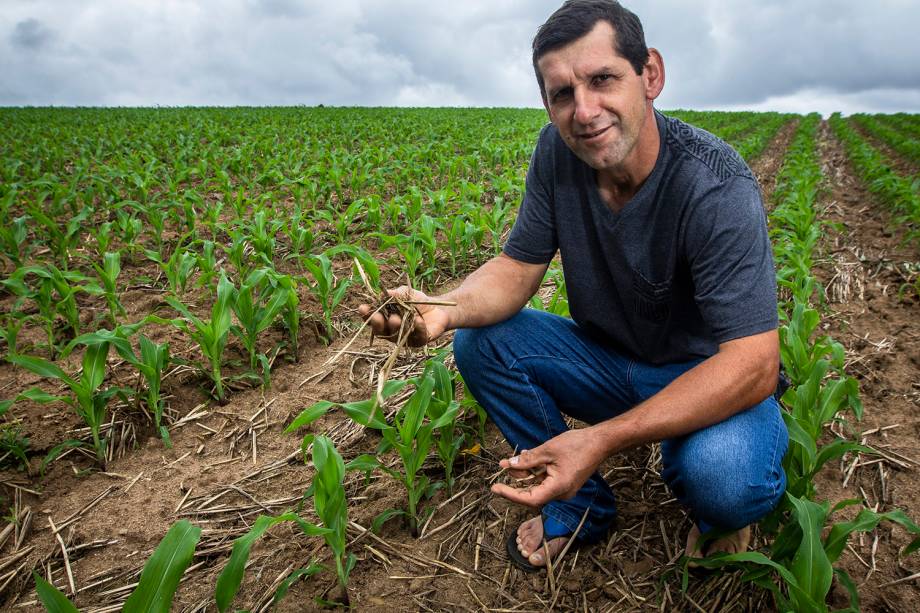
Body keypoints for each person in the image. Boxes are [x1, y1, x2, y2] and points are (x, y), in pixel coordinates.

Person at [359, 0, 787, 571]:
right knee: (481, 342)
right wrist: (444, 309)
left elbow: (753, 364)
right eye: (562, 93)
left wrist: (602, 439)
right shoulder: (556, 155)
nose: (584, 111)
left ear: (650, 75)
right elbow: (516, 268)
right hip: (610, 362)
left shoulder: (714, 185)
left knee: (727, 483)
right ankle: (581, 505)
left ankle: (720, 515)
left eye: (603, 79)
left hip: (706, 378)